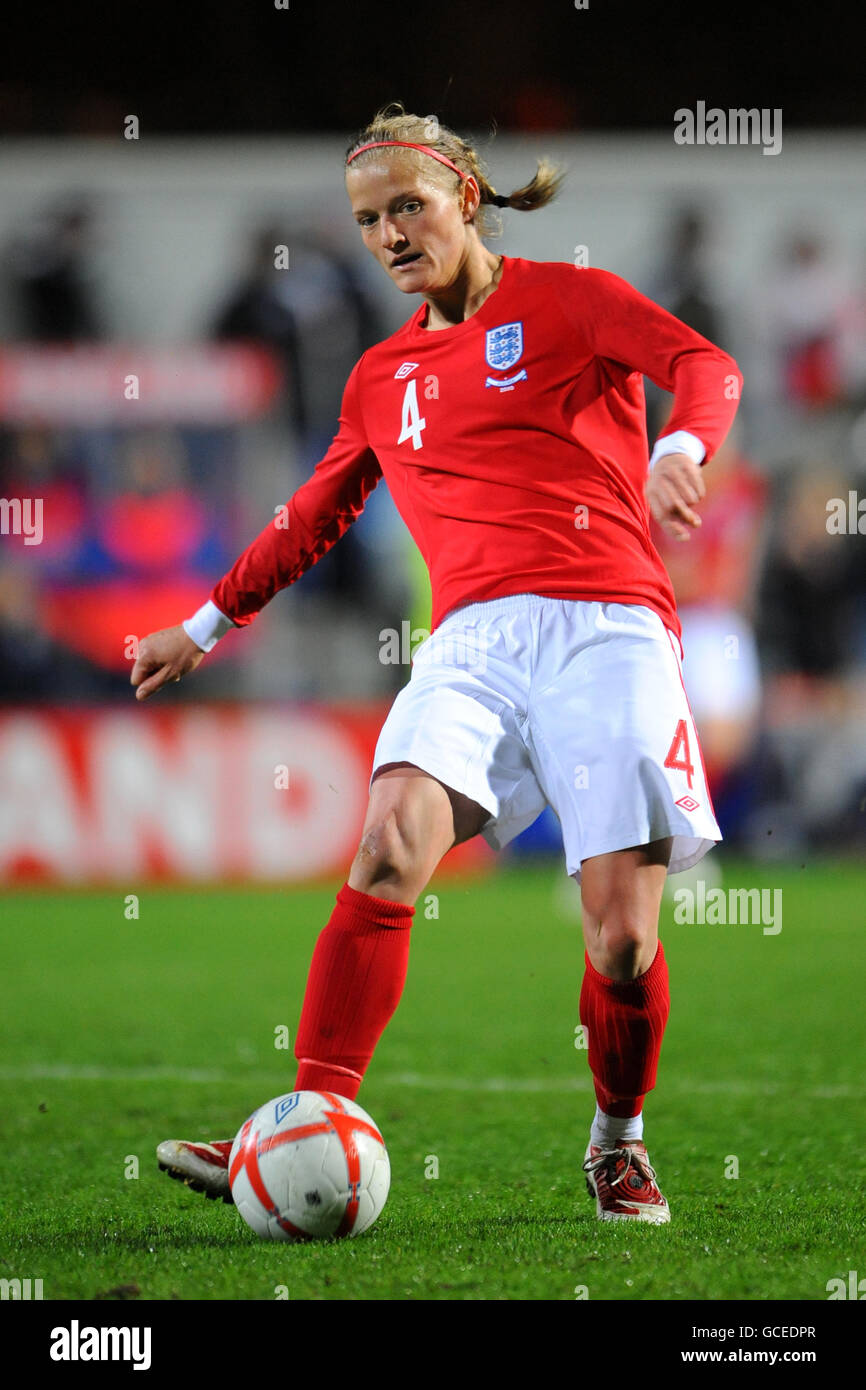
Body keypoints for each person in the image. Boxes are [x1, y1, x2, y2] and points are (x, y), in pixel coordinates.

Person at [132, 104, 742, 1225]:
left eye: (407, 206)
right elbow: (309, 516)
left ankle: (617, 1140)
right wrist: (203, 625)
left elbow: (703, 364)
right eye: (369, 221)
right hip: (468, 643)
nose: (390, 235)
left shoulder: (571, 298)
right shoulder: (381, 374)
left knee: (620, 936)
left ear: (464, 191)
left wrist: (675, 446)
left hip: (607, 626)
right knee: (383, 848)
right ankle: (301, 1121)